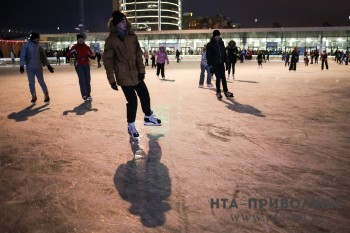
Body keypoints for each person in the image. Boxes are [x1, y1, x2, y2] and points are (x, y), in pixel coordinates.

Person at [103, 11, 161, 140]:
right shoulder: (111, 40)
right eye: (122, 22)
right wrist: (111, 80)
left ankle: (148, 117)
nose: (125, 23)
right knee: (132, 101)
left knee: (145, 95)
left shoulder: (131, 35)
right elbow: (108, 61)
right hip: (123, 76)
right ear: (116, 24)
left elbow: (138, 54)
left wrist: (141, 70)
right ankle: (131, 125)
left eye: (125, 21)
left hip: (136, 73)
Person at [20, 32, 54, 104]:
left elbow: (44, 57)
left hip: (38, 67)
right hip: (30, 67)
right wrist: (21, 65)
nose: (38, 40)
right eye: (37, 39)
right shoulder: (26, 46)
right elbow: (22, 55)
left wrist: (48, 66)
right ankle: (34, 95)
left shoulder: (39, 47)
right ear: (34, 38)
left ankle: (46, 95)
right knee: (31, 83)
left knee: (41, 82)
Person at [206, 30, 234, 99]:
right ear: (214, 36)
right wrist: (211, 66)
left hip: (221, 63)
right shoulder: (210, 44)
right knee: (218, 78)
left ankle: (226, 91)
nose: (218, 37)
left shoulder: (222, 43)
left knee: (224, 78)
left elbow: (224, 54)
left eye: (219, 35)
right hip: (215, 64)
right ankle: (218, 92)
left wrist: (226, 62)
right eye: (216, 36)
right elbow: (208, 56)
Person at [67, 33, 95, 101]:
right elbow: (68, 54)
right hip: (79, 65)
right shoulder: (75, 47)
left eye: (82, 39)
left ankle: (88, 95)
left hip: (86, 64)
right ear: (77, 40)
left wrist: (92, 56)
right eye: (79, 39)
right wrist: (72, 54)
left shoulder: (86, 47)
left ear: (83, 39)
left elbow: (91, 54)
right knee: (82, 79)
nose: (81, 40)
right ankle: (84, 95)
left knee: (87, 79)